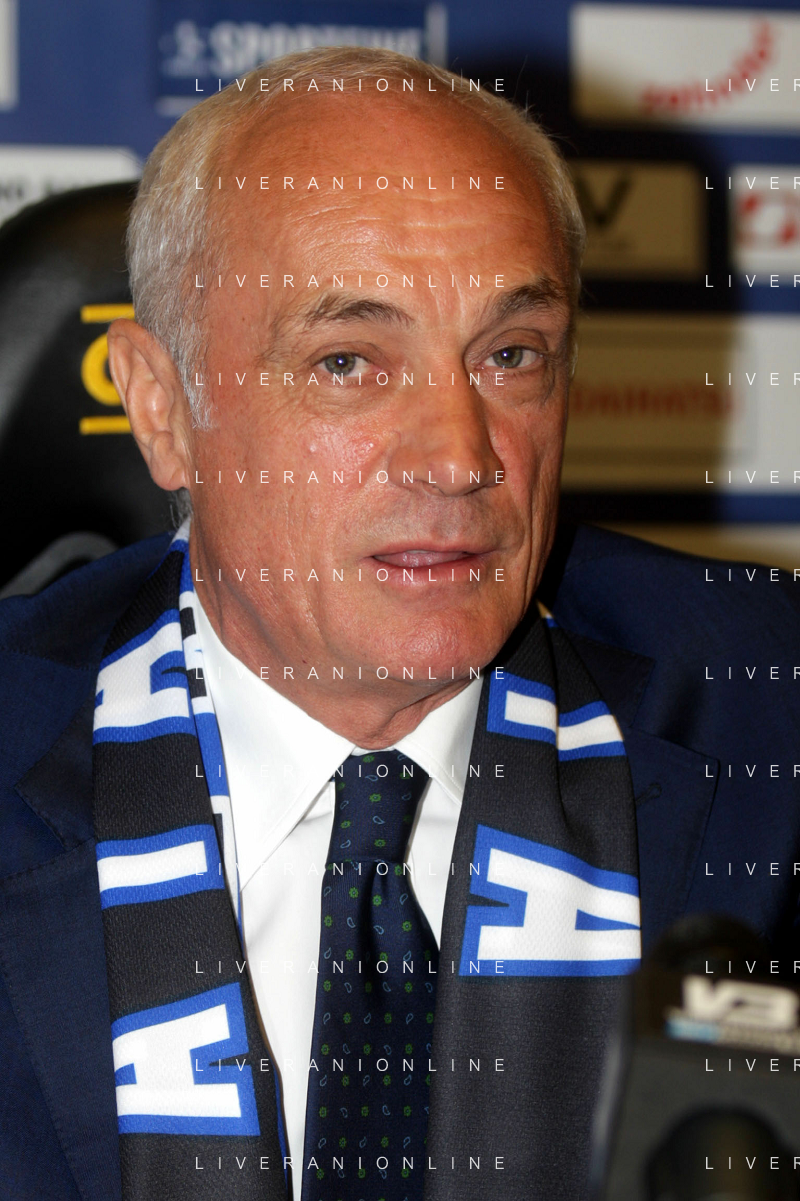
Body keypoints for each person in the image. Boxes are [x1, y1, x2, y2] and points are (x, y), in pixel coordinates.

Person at [0, 46, 797, 1201]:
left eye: (510, 355)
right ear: (163, 409)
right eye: (348, 363)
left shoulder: (766, 717)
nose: (460, 456)